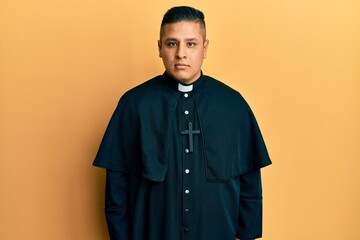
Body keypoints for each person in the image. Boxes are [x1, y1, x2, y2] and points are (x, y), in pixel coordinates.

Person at [93, 6, 271, 240]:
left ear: (205, 48)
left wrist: (245, 235)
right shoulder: (134, 105)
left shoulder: (233, 105)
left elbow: (250, 182)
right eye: (171, 43)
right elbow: (116, 188)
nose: (180, 54)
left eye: (191, 44)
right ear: (159, 47)